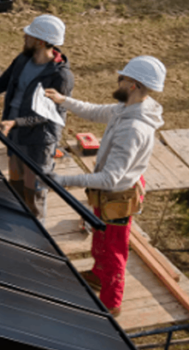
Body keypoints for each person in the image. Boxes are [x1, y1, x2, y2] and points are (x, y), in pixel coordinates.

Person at [43, 55, 166, 316]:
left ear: (132, 84)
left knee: (114, 253)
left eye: (121, 78)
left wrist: (63, 181)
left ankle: (111, 304)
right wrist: (63, 100)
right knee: (101, 237)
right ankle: (98, 276)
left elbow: (110, 178)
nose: (117, 80)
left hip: (118, 196)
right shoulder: (128, 108)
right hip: (110, 193)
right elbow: (95, 110)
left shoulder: (134, 128)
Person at [0, 15, 74, 219]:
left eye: (29, 34)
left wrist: (14, 122)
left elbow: (47, 115)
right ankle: (17, 225)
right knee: (15, 185)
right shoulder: (23, 60)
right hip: (14, 134)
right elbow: (3, 82)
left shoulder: (60, 76)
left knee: (34, 191)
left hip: (39, 141)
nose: (24, 36)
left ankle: (37, 234)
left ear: (40, 41)